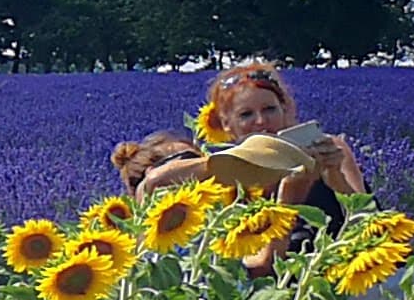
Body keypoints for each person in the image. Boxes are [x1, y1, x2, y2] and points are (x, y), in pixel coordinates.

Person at [141, 60, 361, 233]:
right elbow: (153, 183)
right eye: (246, 114)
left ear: (285, 109)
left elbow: (364, 216)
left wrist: (334, 176)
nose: (260, 121)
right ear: (226, 124)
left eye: (269, 109)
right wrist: (243, 159)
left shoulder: (327, 147)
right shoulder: (227, 169)